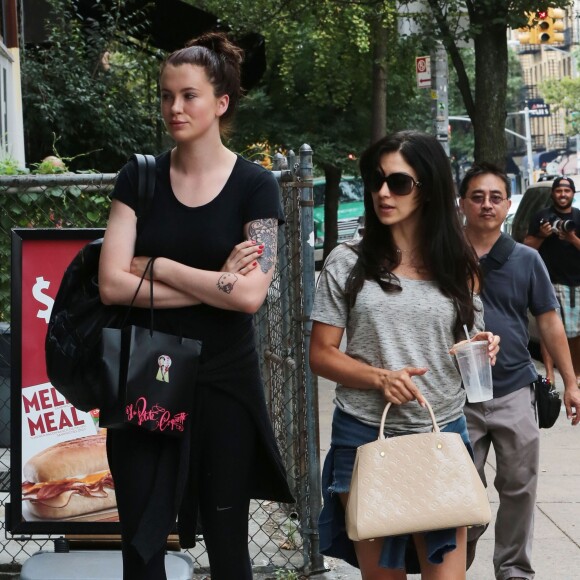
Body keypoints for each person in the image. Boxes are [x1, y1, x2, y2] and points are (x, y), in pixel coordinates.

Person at [98, 32, 294, 579]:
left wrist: (155, 265)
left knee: (229, 540)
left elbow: (251, 294)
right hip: (148, 374)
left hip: (224, 379)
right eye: (166, 96)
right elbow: (112, 284)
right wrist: (216, 281)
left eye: (189, 95)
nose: (175, 108)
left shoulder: (257, 187)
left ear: (221, 102)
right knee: (141, 542)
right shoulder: (138, 178)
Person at [309, 131, 499, 579]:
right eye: (377, 181)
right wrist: (379, 378)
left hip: (441, 436)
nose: (382, 193)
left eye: (399, 183)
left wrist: (484, 345)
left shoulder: (459, 265)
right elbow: (320, 354)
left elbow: (465, 340)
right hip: (365, 438)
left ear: (429, 189)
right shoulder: (348, 261)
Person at [459, 163, 580, 580]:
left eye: (495, 197)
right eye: (477, 196)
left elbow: (548, 320)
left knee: (519, 489)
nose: (486, 205)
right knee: (460, 496)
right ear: (462, 203)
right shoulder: (442, 257)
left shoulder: (526, 259)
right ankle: (458, 558)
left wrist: (570, 382)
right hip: (456, 396)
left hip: (514, 390)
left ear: (508, 205)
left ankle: (513, 570)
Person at [523, 176, 580, 386]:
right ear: (552, 193)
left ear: (573, 194)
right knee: (548, 329)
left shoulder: (578, 217)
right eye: (559, 191)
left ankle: (575, 374)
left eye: (567, 190)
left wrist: (572, 238)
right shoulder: (541, 216)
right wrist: (542, 235)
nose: (563, 194)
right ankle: (549, 374)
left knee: (575, 332)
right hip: (548, 280)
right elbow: (527, 245)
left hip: (575, 282)